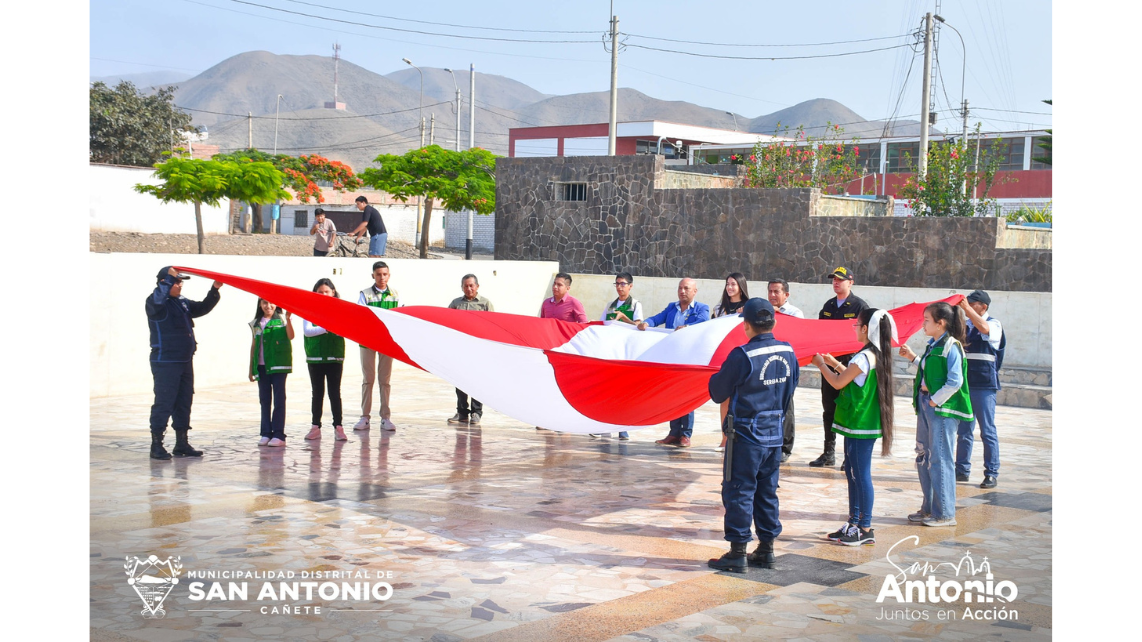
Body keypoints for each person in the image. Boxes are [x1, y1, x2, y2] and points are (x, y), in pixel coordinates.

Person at [706, 298, 799, 572]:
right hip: (774, 435)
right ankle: (767, 549)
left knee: (739, 490)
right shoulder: (789, 352)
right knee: (768, 492)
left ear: (746, 325)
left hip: (746, 436)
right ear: (774, 321)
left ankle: (737, 552)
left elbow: (717, 392)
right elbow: (791, 388)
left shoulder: (741, 355)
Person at [812, 308, 896, 546]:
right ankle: (854, 522)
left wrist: (820, 364)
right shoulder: (873, 355)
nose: (855, 329)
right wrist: (835, 363)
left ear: (866, 329)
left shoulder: (863, 357)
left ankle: (865, 527)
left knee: (860, 474)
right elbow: (852, 377)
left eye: (856, 325)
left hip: (860, 423)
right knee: (852, 472)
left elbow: (839, 383)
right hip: (858, 423)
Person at [899, 302, 973, 528]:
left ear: (940, 323)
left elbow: (955, 381)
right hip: (926, 405)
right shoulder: (934, 345)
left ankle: (945, 513)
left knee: (940, 459)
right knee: (924, 455)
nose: (923, 324)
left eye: (927, 320)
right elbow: (929, 371)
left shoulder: (952, 346)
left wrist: (933, 399)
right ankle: (929, 508)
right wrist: (913, 357)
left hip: (940, 408)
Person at [145, 267, 222, 460]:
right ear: (165, 282)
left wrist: (214, 290)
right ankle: (157, 444)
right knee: (164, 401)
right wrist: (169, 279)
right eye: (177, 281)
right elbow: (158, 299)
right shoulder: (155, 303)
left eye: (180, 282)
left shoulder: (182, 302)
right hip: (166, 361)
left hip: (185, 360)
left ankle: (181, 443)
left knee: (184, 401)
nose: (180, 285)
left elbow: (202, 308)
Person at [638, 278, 711, 447]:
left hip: (689, 359)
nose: (682, 291)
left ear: (695, 291)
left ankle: (685, 434)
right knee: (672, 394)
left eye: (686, 288)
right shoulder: (672, 307)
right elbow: (658, 318)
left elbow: (703, 322)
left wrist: (687, 327)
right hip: (672, 358)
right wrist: (647, 323)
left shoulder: (701, 308)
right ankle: (673, 433)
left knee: (686, 396)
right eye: (680, 288)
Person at [812, 267, 868, 467]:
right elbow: (819, 331)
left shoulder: (860, 306)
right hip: (829, 364)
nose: (836, 283)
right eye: (834, 279)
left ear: (851, 282)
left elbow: (865, 336)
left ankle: (849, 456)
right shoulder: (828, 306)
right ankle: (828, 453)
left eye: (840, 280)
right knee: (829, 409)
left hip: (849, 365)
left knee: (849, 409)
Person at [955, 290, 1005, 489]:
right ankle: (962, 470)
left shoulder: (994, 323)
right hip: (966, 384)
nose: (968, 306)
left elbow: (984, 329)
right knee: (964, 430)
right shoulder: (964, 326)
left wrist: (966, 309)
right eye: (967, 303)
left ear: (983, 306)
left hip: (984, 385)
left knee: (987, 431)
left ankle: (991, 472)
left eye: (973, 303)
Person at [356, 261, 399, 432]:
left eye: (385, 274)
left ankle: (385, 417)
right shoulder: (364, 295)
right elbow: (360, 315)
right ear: (373, 275)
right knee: (368, 379)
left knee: (385, 380)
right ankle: (365, 417)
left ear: (389, 275)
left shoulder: (395, 295)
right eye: (379, 274)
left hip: (387, 342)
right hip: (367, 341)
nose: (382, 277)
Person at [448, 274, 495, 426]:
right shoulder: (455, 304)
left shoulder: (485, 304)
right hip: (460, 349)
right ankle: (462, 412)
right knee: (460, 381)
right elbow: (447, 323)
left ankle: (476, 412)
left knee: (477, 381)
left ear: (477, 286)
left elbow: (493, 326)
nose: (468, 289)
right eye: (465, 286)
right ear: (462, 287)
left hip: (478, 349)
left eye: (471, 286)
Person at [303, 278, 347, 442]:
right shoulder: (308, 309)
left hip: (335, 356)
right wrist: (328, 327)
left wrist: (326, 328)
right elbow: (308, 331)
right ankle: (315, 427)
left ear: (333, 292)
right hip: (315, 358)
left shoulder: (340, 309)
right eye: (320, 292)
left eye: (326, 292)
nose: (323, 295)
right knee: (317, 393)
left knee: (334, 393)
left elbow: (344, 327)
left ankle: (338, 426)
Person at [768, 278, 805, 463]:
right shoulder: (764, 312)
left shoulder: (795, 314)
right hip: (768, 365)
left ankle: (785, 446)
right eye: (770, 292)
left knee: (786, 405)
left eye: (777, 292)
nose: (772, 295)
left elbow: (798, 337)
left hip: (788, 365)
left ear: (786, 294)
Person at [249, 298, 295, 447]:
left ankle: (279, 434)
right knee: (264, 400)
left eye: (271, 302)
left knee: (279, 399)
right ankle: (266, 433)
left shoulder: (281, 321)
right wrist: (251, 368)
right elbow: (254, 345)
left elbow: (290, 336)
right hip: (262, 367)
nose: (268, 306)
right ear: (260, 305)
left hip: (278, 366)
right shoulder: (256, 323)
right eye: (264, 303)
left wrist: (289, 320)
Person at [713, 273, 749, 452]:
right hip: (724, 359)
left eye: (733, 284)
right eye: (728, 284)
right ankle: (724, 438)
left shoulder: (749, 307)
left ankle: (742, 439)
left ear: (741, 286)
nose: (730, 288)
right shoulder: (719, 308)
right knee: (725, 400)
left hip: (743, 358)